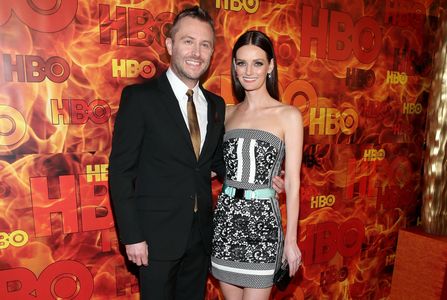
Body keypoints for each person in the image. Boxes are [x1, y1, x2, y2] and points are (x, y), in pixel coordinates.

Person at [108, 7, 284, 300]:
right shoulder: (140, 98)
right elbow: (121, 172)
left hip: (202, 235)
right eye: (188, 41)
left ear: (212, 53)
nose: (196, 52)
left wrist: (262, 179)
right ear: (170, 45)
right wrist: (133, 236)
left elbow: (216, 163)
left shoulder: (216, 105)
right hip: (155, 238)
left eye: (205, 45)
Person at [211, 30, 303, 300]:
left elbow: (294, 184)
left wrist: (291, 241)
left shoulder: (288, 115)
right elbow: (214, 167)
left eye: (258, 63)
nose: (248, 71)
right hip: (226, 224)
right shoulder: (225, 112)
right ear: (234, 67)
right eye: (241, 63)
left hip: (263, 226)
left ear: (271, 66)